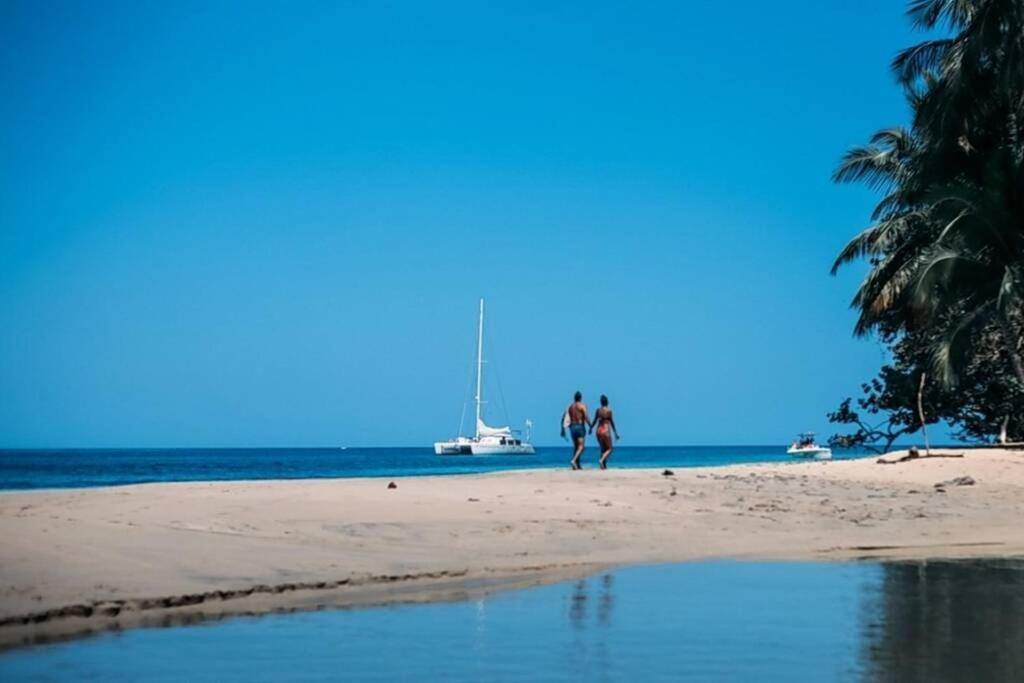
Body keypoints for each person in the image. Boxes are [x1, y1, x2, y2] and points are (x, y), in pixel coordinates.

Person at [560, 391, 589, 470]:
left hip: (572, 428)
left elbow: (563, 417)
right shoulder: (582, 406)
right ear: (581, 398)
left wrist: (562, 429)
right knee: (581, 447)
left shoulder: (570, 407)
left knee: (576, 447)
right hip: (580, 426)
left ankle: (577, 465)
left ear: (574, 398)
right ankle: (573, 460)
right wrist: (590, 425)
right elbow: (586, 417)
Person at [590, 394, 620, 469]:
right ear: (607, 402)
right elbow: (612, 422)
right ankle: (601, 460)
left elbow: (594, 420)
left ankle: (603, 466)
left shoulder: (598, 410)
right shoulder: (609, 411)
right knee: (610, 449)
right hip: (605, 430)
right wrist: (615, 432)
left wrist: (590, 428)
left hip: (598, 430)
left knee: (603, 449)